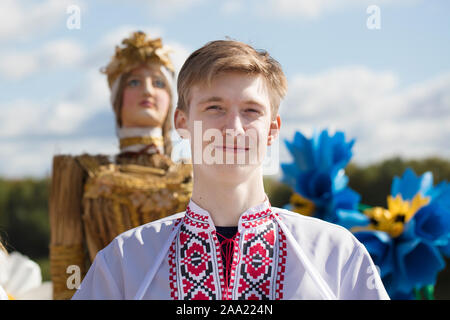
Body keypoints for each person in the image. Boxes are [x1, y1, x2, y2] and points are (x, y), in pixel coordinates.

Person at [72, 39, 389, 300]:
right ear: (182, 123)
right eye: (215, 108)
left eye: (251, 110)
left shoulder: (336, 255)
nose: (233, 128)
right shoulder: (125, 263)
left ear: (272, 129)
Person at [49, 31, 192, 300]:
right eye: (135, 82)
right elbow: (66, 261)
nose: (148, 90)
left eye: (159, 83)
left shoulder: (195, 173)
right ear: (117, 98)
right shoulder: (81, 171)